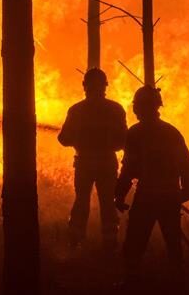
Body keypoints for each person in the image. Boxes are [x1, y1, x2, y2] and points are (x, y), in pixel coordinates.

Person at [114, 85, 189, 285]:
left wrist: (120, 194)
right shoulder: (171, 132)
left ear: (139, 107)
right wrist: (186, 191)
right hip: (169, 195)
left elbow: (129, 168)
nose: (135, 109)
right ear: (157, 106)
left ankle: (131, 281)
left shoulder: (135, 133)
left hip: (148, 196)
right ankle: (178, 282)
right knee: (173, 242)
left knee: (134, 242)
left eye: (137, 106)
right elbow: (187, 164)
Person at [58, 68, 127, 249]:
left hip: (84, 163)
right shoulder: (115, 109)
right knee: (107, 201)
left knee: (81, 200)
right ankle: (110, 240)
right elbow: (123, 141)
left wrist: (79, 139)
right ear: (105, 86)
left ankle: (75, 239)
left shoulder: (76, 110)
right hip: (107, 163)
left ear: (84, 86)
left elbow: (63, 139)